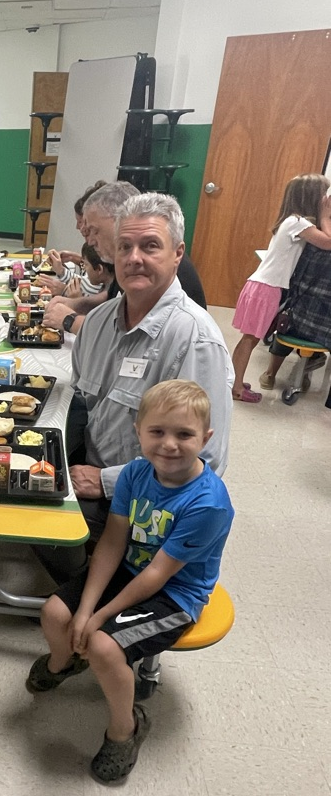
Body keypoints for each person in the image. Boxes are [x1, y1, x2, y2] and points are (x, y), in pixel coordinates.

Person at [27, 380, 234, 783]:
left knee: (104, 647)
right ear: (137, 430)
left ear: (206, 438)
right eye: (157, 431)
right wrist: (84, 609)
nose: (169, 445)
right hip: (132, 567)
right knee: (55, 613)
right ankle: (64, 662)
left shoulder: (208, 502)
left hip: (177, 592)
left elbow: (159, 573)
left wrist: (98, 616)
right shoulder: (136, 473)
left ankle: (125, 729)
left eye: (184, 434)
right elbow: (112, 541)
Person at [67, 192, 233, 553]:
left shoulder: (195, 339)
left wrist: (108, 482)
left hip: (148, 500)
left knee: (33, 516)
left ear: (178, 253)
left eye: (150, 246)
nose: (134, 258)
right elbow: (82, 401)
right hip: (92, 470)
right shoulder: (96, 323)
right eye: (124, 246)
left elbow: (206, 460)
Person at [42, 181, 208, 335]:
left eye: (94, 230)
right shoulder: (121, 260)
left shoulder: (158, 268)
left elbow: (132, 334)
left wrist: (70, 320)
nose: (90, 240)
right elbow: (113, 299)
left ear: (120, 220)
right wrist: (76, 304)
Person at [229, 174, 331, 401]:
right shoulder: (298, 222)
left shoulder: (291, 221)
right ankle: (236, 388)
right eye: (324, 196)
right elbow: (328, 241)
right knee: (250, 340)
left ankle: (235, 380)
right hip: (267, 289)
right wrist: (325, 216)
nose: (327, 200)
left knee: (248, 338)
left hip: (261, 286)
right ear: (313, 197)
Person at [259, 241, 331, 389]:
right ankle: (307, 368)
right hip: (326, 331)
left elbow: (293, 279)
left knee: (288, 319)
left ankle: (270, 374)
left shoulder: (311, 245)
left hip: (298, 321)